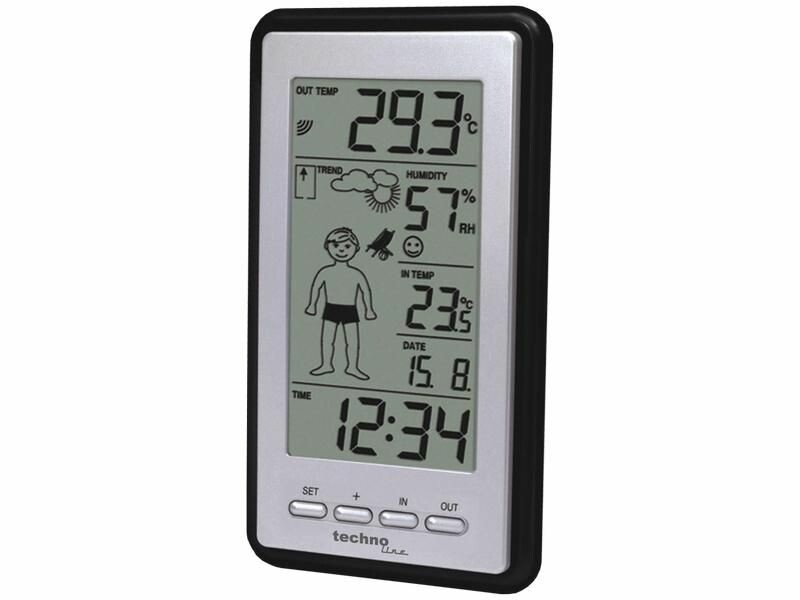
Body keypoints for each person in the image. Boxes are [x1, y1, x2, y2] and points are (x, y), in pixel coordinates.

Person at [305, 227, 376, 380]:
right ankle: (326, 365)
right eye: (336, 245)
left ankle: (352, 367)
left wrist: (369, 310)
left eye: (347, 246)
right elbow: (316, 287)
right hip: (331, 308)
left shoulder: (356, 273)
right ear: (328, 247)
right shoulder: (325, 272)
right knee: (327, 339)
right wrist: (312, 305)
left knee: (352, 341)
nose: (341, 250)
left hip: (350, 309)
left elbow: (366, 291)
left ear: (356, 249)